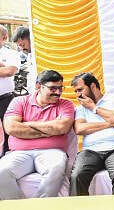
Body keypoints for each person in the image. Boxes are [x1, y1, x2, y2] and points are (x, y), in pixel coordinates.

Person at [0, 70, 74, 199]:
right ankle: (18, 208)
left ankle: (42, 206)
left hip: (52, 151)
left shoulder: (65, 104)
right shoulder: (19, 101)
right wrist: (50, 129)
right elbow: (11, 128)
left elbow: (62, 127)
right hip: (19, 153)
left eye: (60, 88)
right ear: (39, 87)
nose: (58, 92)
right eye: (53, 88)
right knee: (1, 172)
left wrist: (26, 124)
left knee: (56, 168)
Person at [70, 72, 114, 195]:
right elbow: (80, 129)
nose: (78, 95)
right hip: (90, 151)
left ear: (93, 86)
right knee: (77, 175)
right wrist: (110, 124)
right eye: (76, 91)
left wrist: (94, 108)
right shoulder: (80, 108)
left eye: (80, 90)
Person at [0, 25, 21, 155]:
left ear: (4, 38)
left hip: (5, 99)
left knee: (10, 129)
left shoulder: (12, 54)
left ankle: (8, 155)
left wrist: (4, 69)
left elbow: (9, 71)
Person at [12, 26, 36, 95]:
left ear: (30, 39)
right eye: (19, 46)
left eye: (23, 44)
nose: (22, 48)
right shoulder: (27, 55)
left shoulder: (39, 54)